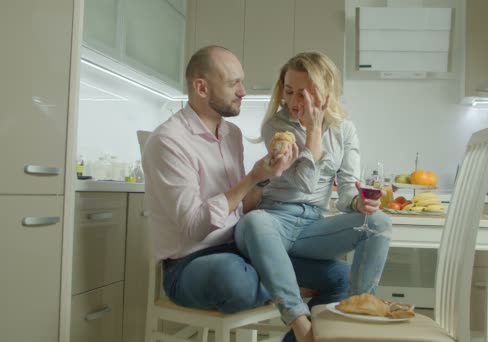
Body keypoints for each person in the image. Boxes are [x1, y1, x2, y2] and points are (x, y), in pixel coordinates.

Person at [142, 46, 350, 341]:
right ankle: (287, 295)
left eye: (242, 81)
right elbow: (194, 227)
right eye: (233, 83)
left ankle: (294, 317)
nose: (243, 91)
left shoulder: (232, 135)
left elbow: (243, 207)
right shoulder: (168, 141)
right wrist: (253, 176)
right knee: (234, 279)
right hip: (191, 265)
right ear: (201, 87)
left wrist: (268, 179)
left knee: (341, 276)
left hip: (240, 250)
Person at [234, 51, 393, 341]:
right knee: (254, 221)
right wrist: (313, 132)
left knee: (378, 223)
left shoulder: (345, 131)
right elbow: (305, 184)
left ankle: (358, 318)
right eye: (289, 91)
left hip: (312, 229)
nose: (294, 102)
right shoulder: (276, 126)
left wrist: (358, 202)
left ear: (325, 92)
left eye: (303, 94)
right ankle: (299, 322)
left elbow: (346, 189)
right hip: (273, 224)